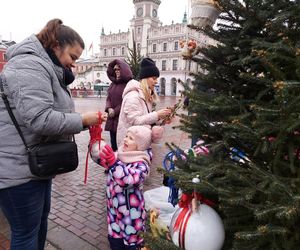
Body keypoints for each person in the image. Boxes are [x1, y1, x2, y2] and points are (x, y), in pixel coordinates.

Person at [0, 19, 107, 250]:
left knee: (37, 225)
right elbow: (40, 118)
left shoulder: (44, 66)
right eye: (73, 57)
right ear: (56, 46)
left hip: (34, 165)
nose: (74, 65)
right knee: (26, 233)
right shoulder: (29, 64)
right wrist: (82, 120)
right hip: (17, 170)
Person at [99, 125, 159, 250]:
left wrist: (113, 164)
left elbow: (128, 180)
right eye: (126, 136)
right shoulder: (121, 154)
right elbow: (102, 158)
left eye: (131, 138)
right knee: (115, 242)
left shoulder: (142, 164)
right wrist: (95, 141)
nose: (125, 140)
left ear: (140, 145)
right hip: (113, 212)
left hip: (131, 216)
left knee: (131, 244)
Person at [117, 57, 172, 146]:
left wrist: (161, 118)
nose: (156, 82)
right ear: (145, 79)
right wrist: (157, 115)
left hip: (138, 143)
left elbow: (145, 118)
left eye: (156, 79)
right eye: (154, 78)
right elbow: (134, 122)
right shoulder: (133, 96)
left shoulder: (145, 95)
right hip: (129, 145)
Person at [105, 59, 133, 151]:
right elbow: (108, 97)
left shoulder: (128, 84)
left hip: (121, 119)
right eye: (115, 69)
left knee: (121, 144)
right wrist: (109, 108)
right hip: (112, 118)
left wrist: (115, 110)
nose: (116, 71)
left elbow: (127, 101)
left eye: (118, 69)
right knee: (113, 144)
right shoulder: (113, 84)